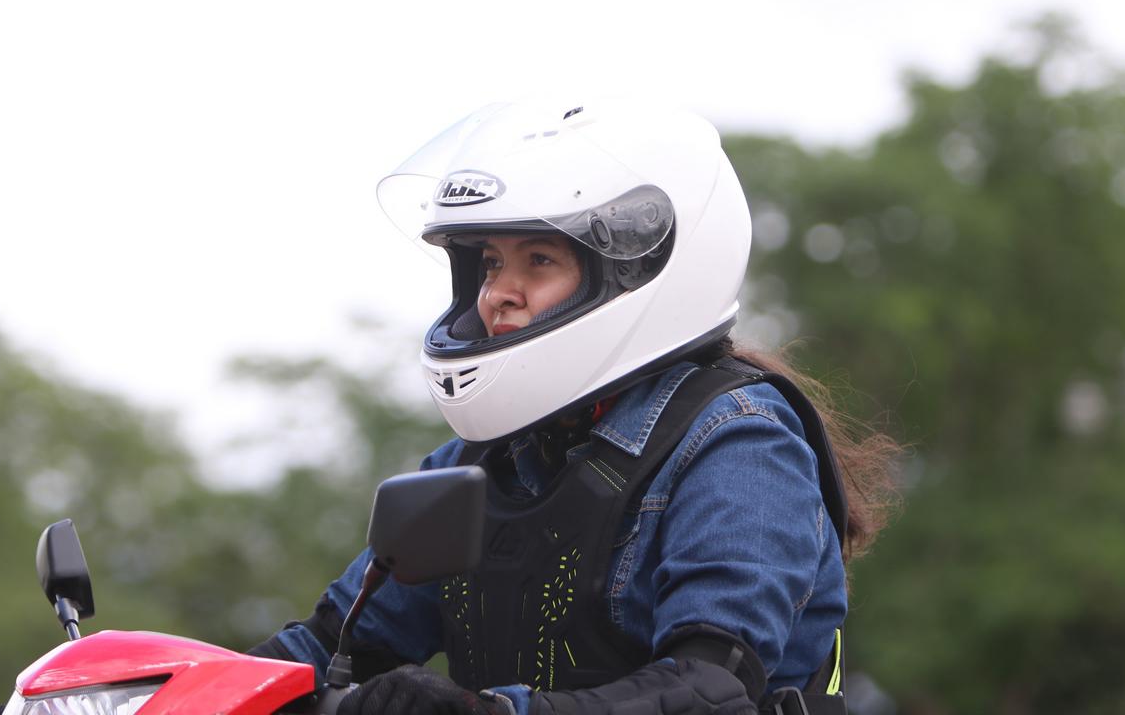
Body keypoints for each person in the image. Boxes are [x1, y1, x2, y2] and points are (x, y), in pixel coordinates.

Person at [250, 98, 899, 715]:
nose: (497, 294)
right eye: (491, 262)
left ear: (638, 271)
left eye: (537, 260)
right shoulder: (482, 463)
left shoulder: (742, 446)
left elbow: (709, 691)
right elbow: (326, 648)